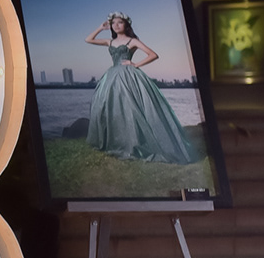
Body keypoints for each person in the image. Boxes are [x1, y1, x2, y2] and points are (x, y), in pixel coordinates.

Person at [82, 14, 197, 164]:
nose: (116, 25)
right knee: (110, 107)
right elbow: (88, 39)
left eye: (120, 22)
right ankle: (116, 140)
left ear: (126, 25)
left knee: (132, 108)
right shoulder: (109, 41)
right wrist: (100, 28)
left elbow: (153, 55)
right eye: (113, 23)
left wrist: (136, 64)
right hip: (112, 77)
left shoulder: (132, 41)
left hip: (128, 76)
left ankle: (137, 141)